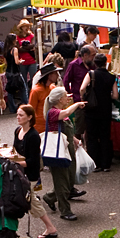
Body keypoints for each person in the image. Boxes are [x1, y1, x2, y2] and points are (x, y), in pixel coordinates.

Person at [12, 104, 57, 238]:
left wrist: (16, 163)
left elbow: (33, 161)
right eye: (17, 114)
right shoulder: (18, 130)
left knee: (29, 200)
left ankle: (50, 227)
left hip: (29, 174)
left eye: (21, 115)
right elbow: (15, 151)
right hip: (20, 172)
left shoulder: (33, 136)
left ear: (30, 117)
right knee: (28, 200)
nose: (18, 117)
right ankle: (50, 227)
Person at [41, 87, 86, 221]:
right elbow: (66, 112)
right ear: (60, 99)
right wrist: (77, 104)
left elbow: (64, 130)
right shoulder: (53, 112)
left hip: (66, 149)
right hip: (58, 152)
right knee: (61, 181)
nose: (68, 98)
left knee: (69, 180)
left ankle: (50, 197)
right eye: (66, 96)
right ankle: (65, 210)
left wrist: (75, 140)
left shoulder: (60, 113)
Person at [80, 53, 118, 172]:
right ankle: (106, 164)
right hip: (105, 110)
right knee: (104, 136)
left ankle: (95, 163)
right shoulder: (111, 77)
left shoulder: (91, 74)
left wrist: (83, 98)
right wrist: (107, 96)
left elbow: (82, 88)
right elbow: (115, 95)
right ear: (106, 63)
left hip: (92, 109)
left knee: (92, 136)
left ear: (95, 63)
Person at [63, 45, 95, 137]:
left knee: (90, 129)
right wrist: (70, 95)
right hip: (79, 101)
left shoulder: (93, 65)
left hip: (92, 101)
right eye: (92, 55)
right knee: (79, 127)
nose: (94, 57)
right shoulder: (74, 65)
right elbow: (66, 80)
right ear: (85, 55)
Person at [29, 62, 61, 133]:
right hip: (40, 128)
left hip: (54, 126)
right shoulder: (36, 90)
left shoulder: (53, 88)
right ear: (49, 75)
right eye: (55, 73)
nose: (58, 75)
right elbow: (31, 110)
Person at [3, 33, 26, 113]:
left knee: (10, 90)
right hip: (15, 72)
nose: (16, 40)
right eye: (15, 39)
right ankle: (25, 105)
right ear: (13, 40)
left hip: (8, 71)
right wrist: (21, 61)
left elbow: (5, 62)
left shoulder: (6, 49)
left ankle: (12, 108)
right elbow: (16, 61)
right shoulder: (14, 49)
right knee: (23, 89)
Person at [17, 19, 39, 87]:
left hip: (32, 60)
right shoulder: (17, 37)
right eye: (25, 26)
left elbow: (33, 46)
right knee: (23, 80)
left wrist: (23, 48)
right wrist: (28, 48)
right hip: (22, 61)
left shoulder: (31, 35)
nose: (27, 28)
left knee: (34, 79)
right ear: (21, 27)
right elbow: (18, 49)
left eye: (28, 26)